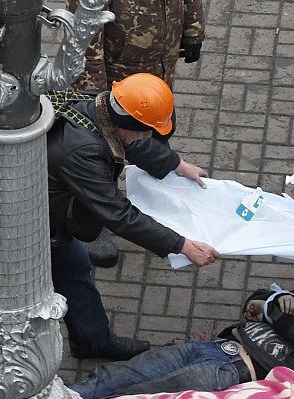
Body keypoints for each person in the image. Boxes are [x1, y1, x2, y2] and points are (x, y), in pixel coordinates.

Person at [48, 72, 219, 361]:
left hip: (50, 222)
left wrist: (176, 164)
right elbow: (119, 215)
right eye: (146, 131)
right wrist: (181, 245)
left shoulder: (100, 105)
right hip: (26, 230)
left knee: (74, 268)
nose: (149, 136)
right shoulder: (83, 152)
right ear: (126, 125)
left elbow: (130, 142)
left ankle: (93, 342)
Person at [70, 285, 294, 399]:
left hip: (229, 371)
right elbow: (265, 299)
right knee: (114, 376)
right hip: (217, 347)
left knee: (133, 396)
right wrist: (265, 301)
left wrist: (274, 313)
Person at [66, 0, 206, 268]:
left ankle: (155, 209)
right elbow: (83, 37)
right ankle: (89, 227)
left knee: (157, 137)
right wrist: (94, 97)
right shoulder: (83, 146)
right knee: (101, 163)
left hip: (155, 79)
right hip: (117, 83)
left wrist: (193, 29)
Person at [68, 0, 204, 93]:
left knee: (159, 128)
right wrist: (91, 97)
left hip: (163, 69)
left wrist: (193, 29)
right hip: (120, 82)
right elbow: (83, 47)